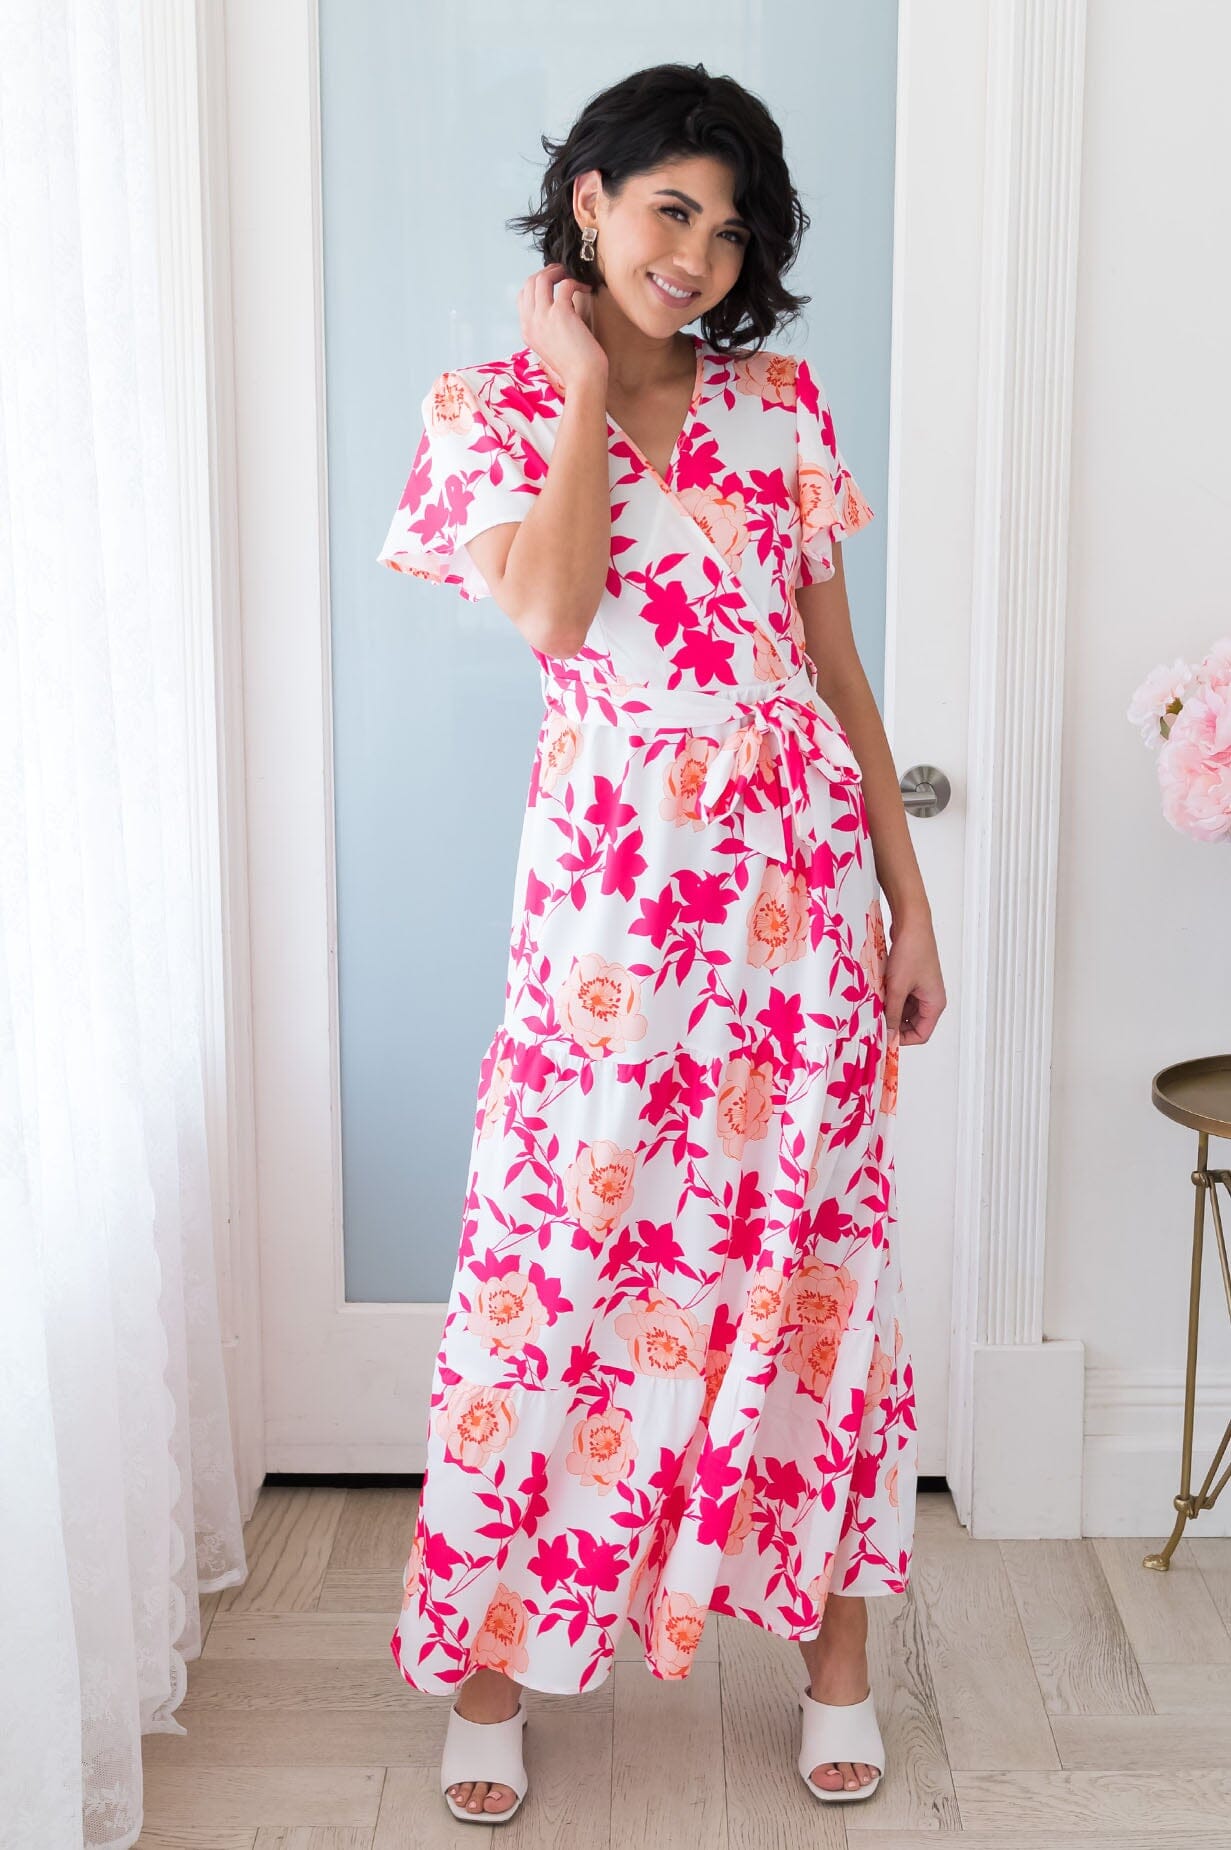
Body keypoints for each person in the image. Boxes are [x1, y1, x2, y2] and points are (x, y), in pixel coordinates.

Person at [376, 61, 946, 1824]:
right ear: (592, 203)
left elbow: (836, 672)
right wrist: (573, 394)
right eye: (669, 209)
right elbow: (555, 615)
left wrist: (907, 897)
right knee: (563, 1266)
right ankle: (493, 1672)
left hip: (800, 914)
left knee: (817, 1273)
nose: (696, 254)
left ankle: (837, 1667)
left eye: (730, 227)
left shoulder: (784, 407)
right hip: (614, 920)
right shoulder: (483, 408)